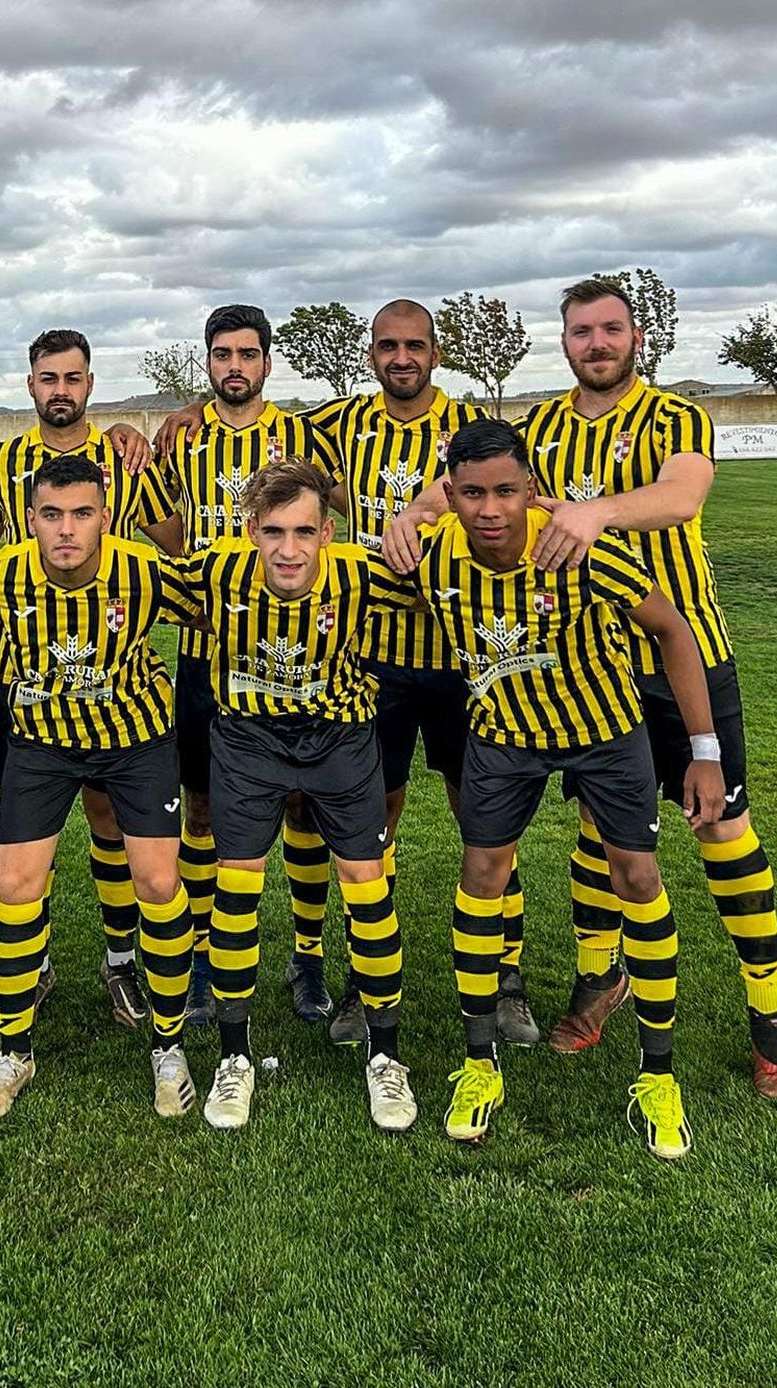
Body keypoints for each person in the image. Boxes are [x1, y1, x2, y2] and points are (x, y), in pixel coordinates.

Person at [386, 277, 777, 1097]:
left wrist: (595, 513)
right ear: (565, 342)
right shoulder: (540, 424)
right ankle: (599, 978)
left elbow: (682, 495)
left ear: (636, 338)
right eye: (582, 332)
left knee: (721, 833)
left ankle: (771, 1021)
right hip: (584, 669)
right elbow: (462, 485)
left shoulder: (672, 416)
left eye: (610, 329)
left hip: (681, 652)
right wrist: (415, 514)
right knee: (600, 837)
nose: (596, 344)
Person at [155, 301, 538, 1048]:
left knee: (483, 817)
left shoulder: (470, 431)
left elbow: (513, 499)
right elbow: (217, 461)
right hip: (364, 658)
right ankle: (349, 977)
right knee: (361, 823)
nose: (401, 358)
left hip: (462, 650)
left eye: (415, 346)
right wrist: (175, 415)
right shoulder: (337, 425)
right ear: (370, 354)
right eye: (388, 346)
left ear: (435, 352)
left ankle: (508, 979)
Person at [408, 419, 723, 1159]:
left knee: (637, 875)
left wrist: (703, 752)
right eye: (474, 493)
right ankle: (479, 1062)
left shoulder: (581, 547)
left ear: (532, 491)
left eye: (507, 492)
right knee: (482, 872)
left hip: (606, 732)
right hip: (504, 736)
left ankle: (659, 1075)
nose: (491, 509)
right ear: (450, 493)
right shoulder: (429, 557)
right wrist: (401, 521)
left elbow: (672, 632)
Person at [0, 455, 201, 1120]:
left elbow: (212, 608)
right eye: (51, 514)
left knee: (159, 884)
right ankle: (13, 1050)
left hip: (135, 739)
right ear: (30, 520)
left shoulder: (143, 571)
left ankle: (169, 1048)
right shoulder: (4, 573)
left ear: (106, 519)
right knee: (16, 884)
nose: (66, 529)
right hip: (41, 741)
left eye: (82, 514)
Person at [165, 460, 420, 1134]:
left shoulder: (363, 574)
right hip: (248, 739)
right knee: (236, 886)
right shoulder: (216, 569)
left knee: (367, 882)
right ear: (250, 531)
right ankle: (234, 1057)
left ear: (327, 533)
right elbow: (125, 581)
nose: (288, 549)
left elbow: (453, 589)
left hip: (340, 738)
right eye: (273, 531)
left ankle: (386, 1057)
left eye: (303, 532)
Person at [0, 330, 184, 1031]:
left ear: (90, 385)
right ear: (29, 385)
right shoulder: (0, 462)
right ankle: (30, 964)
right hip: (25, 679)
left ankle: (121, 961)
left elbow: (174, 542)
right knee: (27, 829)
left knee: (106, 820)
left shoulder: (125, 458)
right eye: (46, 378)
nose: (59, 389)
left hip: (113, 683)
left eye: (72, 377)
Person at [155, 304, 340, 1027]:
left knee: (304, 806)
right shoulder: (181, 439)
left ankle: (308, 957)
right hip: (208, 656)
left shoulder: (304, 436)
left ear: (268, 362)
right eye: (222, 353)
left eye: (248, 354)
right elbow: (162, 524)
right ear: (206, 361)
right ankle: (202, 960)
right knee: (199, 810)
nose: (235, 365)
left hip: (294, 657)